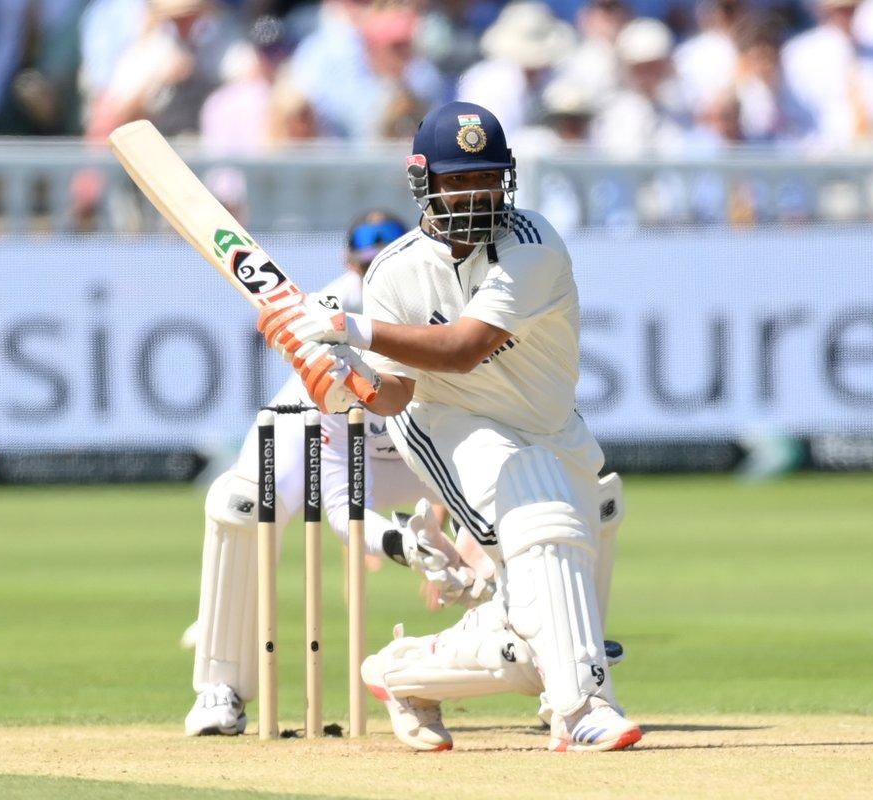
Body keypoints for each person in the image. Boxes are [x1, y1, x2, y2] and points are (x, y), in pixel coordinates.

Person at [256, 101, 641, 752]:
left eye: (487, 177)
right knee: (543, 520)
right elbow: (394, 395)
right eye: (459, 179)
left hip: (552, 427)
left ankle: (402, 673)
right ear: (424, 181)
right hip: (450, 425)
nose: (475, 193)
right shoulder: (394, 272)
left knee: (534, 627)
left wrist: (347, 328)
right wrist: (345, 382)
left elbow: (464, 347)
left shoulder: (533, 243)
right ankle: (583, 709)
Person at [184, 209, 496, 737]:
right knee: (240, 505)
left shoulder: (456, 309)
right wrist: (403, 543)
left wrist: (468, 530)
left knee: (565, 487)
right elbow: (341, 505)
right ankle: (222, 686)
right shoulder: (331, 328)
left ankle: (563, 668)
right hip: (315, 433)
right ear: (350, 266)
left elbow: (482, 442)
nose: (377, 278)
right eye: (367, 267)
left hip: (419, 447)